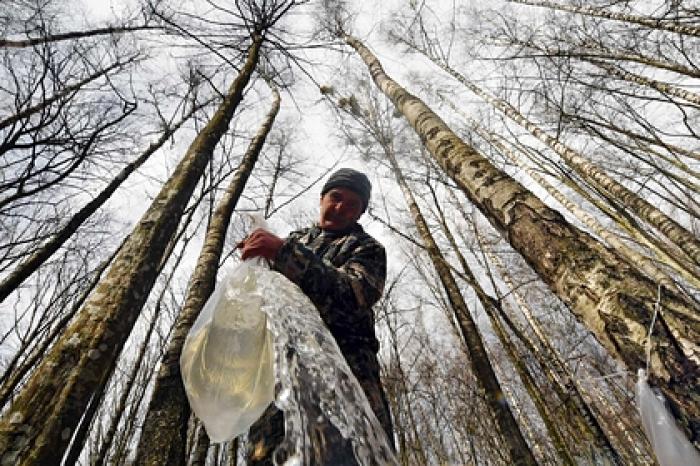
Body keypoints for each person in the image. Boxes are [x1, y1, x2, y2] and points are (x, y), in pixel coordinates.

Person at [237, 168, 393, 465]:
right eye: (336, 198)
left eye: (352, 205)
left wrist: (283, 252)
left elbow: (354, 294)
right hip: (281, 383)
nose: (341, 208)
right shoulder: (297, 239)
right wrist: (253, 268)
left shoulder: (366, 248)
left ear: (359, 214)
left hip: (345, 381)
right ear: (322, 198)